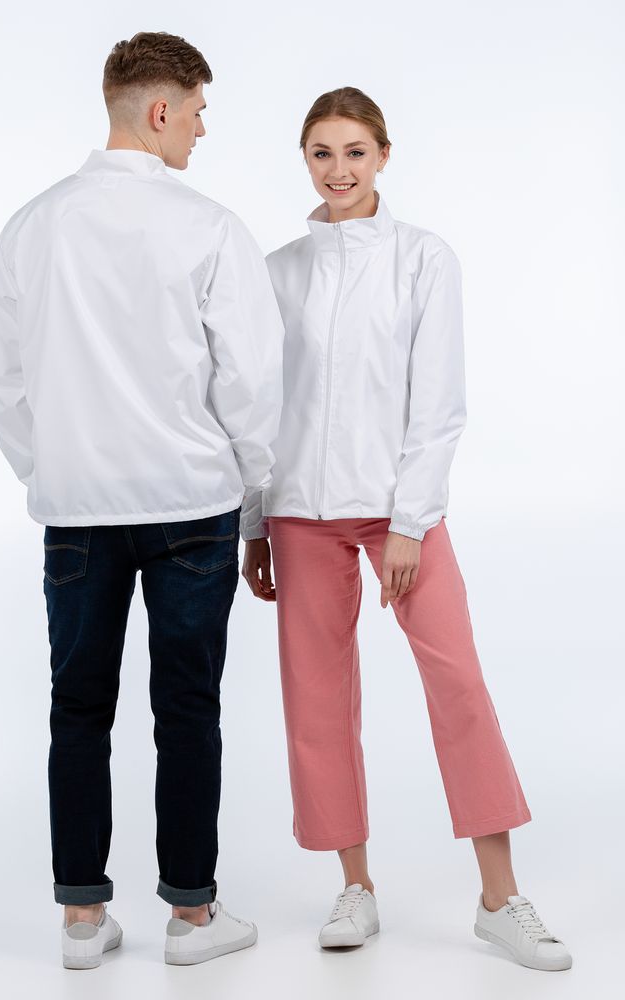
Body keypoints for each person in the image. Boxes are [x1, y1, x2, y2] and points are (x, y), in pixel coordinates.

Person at [241, 87, 572, 973]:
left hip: (397, 511)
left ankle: (499, 899)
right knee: (316, 698)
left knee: (457, 679)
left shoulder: (425, 259)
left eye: (354, 151)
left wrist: (412, 521)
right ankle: (355, 886)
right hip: (298, 511)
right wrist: (254, 522)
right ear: (304, 159)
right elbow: (261, 406)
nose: (338, 169)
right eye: (321, 152)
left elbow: (440, 402)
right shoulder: (278, 272)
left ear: (383, 155)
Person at [0, 32, 284, 969]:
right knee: (187, 707)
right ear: (159, 110)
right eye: (196, 111)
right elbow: (251, 383)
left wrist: (54, 472)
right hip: (190, 503)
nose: (202, 129)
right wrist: (253, 494)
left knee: (77, 707)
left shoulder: (31, 226)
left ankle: (82, 921)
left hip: (76, 510)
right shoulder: (210, 227)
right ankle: (192, 920)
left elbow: (7, 384)